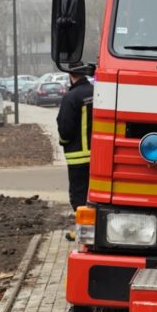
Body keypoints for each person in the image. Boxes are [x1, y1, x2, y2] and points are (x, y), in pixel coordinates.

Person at [56, 64, 94, 212]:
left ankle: (81, 230)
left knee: (79, 197)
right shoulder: (96, 92)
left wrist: (63, 142)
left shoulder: (70, 97)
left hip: (79, 158)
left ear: (70, 76)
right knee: (95, 194)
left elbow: (65, 130)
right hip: (98, 156)